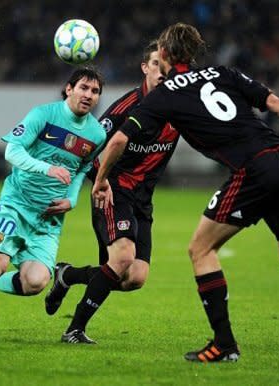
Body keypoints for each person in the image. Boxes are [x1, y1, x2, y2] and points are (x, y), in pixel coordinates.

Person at [92, 23, 279, 367]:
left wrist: (101, 179)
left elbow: (118, 140)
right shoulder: (223, 72)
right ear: (192, 52)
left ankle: (224, 344)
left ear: (163, 54)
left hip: (254, 169)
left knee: (201, 249)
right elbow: (276, 102)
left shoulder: (165, 93)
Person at [0, 67, 106, 343]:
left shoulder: (97, 135)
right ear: (69, 89)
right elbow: (12, 151)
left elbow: (82, 170)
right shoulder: (43, 115)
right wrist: (47, 169)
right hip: (16, 204)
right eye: (83, 88)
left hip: (48, 219)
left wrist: (72, 199)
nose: (88, 95)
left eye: (95, 91)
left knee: (35, 282)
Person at [44, 41, 180, 344]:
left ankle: (67, 275)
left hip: (143, 200)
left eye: (168, 65)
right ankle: (74, 329)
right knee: (122, 258)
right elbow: (91, 146)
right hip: (113, 191)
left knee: (134, 278)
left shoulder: (180, 106)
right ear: (145, 67)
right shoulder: (126, 107)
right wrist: (96, 182)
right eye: (156, 64)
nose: (163, 71)